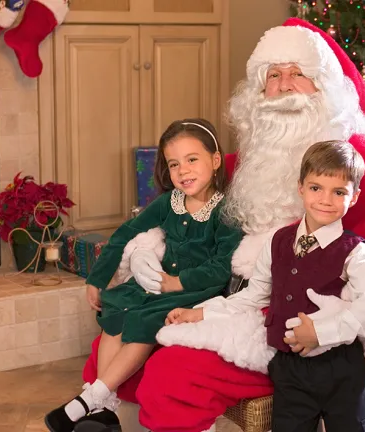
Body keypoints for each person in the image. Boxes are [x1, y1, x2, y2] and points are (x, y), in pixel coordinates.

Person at [82, 17, 365, 432]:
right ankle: (102, 416)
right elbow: (178, 208)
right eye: (273, 76)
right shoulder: (248, 160)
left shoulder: (358, 161)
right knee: (118, 334)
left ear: (326, 86)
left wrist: (355, 321)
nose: (283, 86)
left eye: (298, 74)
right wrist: (143, 252)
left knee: (172, 375)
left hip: (300, 329)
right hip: (229, 298)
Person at [168, 140, 365, 431]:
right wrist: (202, 313)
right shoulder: (278, 241)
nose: (325, 199)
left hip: (341, 370)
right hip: (290, 370)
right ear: (300, 188)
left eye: (338, 192)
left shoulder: (356, 253)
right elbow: (254, 295)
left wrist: (320, 333)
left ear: (354, 197)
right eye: (315, 188)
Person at [44, 118, 243, 432]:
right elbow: (124, 234)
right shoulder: (168, 203)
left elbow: (221, 266)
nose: (183, 171)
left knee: (145, 319)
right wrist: (98, 278)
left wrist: (176, 282)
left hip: (196, 290)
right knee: (118, 305)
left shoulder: (226, 211)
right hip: (160, 282)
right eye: (174, 164)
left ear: (215, 161)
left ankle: (91, 397)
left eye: (192, 160)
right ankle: (105, 404)